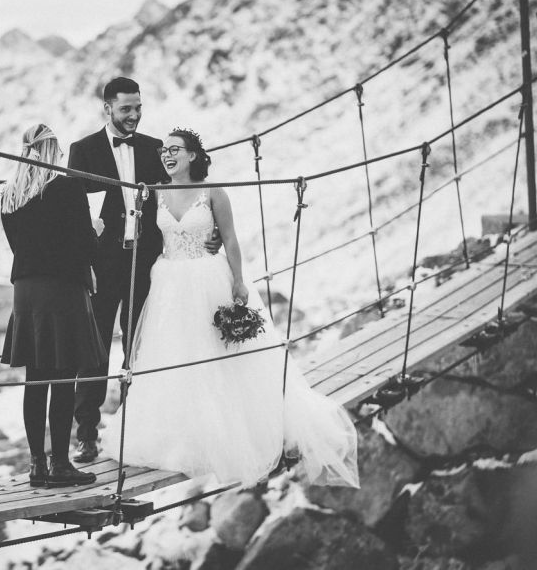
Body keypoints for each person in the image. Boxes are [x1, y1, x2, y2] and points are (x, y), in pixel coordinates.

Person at [105, 128, 360, 487]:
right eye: (164, 150)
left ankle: (227, 432)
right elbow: (145, 238)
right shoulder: (156, 193)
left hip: (208, 278)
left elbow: (230, 239)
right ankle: (178, 434)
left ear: (193, 155)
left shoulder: (214, 192)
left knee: (217, 357)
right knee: (172, 355)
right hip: (168, 283)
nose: (167, 155)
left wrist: (239, 281)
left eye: (175, 149)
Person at [68, 77, 220, 463]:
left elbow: (182, 196)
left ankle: (135, 429)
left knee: (143, 345)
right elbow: (73, 212)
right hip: (102, 265)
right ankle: (86, 433)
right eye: (125, 109)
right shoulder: (82, 151)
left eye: (138, 108)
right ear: (107, 109)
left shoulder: (157, 149)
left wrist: (209, 231)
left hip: (148, 262)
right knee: (95, 348)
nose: (134, 115)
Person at [0, 123, 106, 487]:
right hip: (62, 292)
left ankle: (36, 465)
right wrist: (96, 228)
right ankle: (60, 463)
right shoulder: (68, 189)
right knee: (63, 379)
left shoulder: (9, 196)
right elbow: (84, 249)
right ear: (53, 154)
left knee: (35, 379)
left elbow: (21, 247)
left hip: (26, 293)